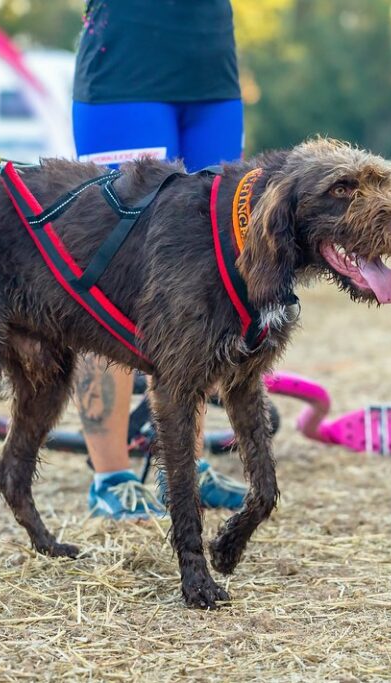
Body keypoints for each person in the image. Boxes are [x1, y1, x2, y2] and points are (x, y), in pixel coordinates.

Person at [71, 0, 248, 519]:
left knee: (206, 272)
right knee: (117, 271)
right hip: (125, 69)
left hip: (212, 70)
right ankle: (112, 478)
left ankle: (183, 470)